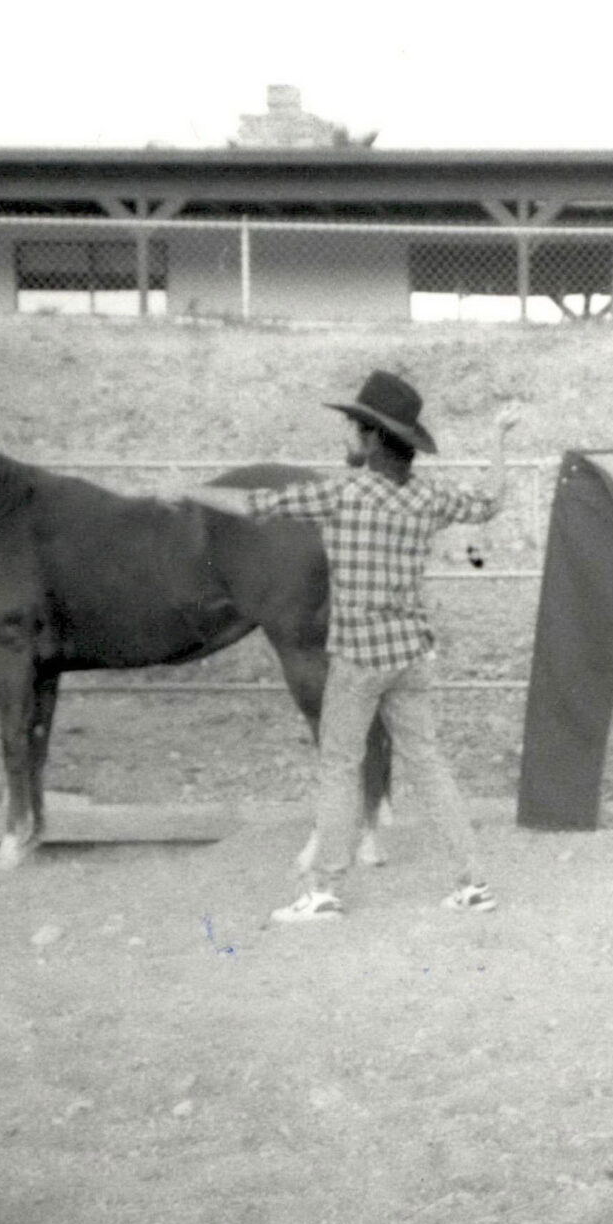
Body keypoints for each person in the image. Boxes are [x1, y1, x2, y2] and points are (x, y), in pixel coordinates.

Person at [179, 369, 514, 923]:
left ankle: (323, 890)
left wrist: (189, 491)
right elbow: (491, 501)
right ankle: (473, 882)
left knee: (339, 766)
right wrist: (500, 441)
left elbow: (256, 505)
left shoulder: (343, 493)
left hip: (359, 658)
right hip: (411, 653)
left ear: (373, 438)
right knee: (428, 766)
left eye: (353, 428)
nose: (346, 437)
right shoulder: (429, 498)